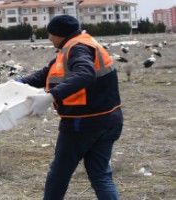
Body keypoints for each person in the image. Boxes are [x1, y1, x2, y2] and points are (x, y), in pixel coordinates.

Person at [18, 15, 123, 200]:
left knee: (59, 173)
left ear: (60, 34)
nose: (49, 38)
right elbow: (45, 74)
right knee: (100, 175)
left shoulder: (78, 49)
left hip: (82, 124)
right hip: (109, 120)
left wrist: (51, 96)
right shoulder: (78, 45)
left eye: (50, 33)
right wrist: (16, 83)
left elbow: (86, 74)